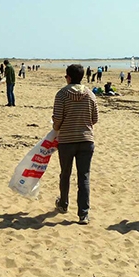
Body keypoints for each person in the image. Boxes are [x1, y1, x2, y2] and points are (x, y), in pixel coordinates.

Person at [52, 64, 99, 225]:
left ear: (69, 77)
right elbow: (95, 119)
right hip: (86, 140)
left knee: (65, 173)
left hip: (66, 140)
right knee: (84, 176)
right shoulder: (90, 94)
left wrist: (55, 128)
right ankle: (83, 213)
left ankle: (64, 204)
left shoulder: (62, 94)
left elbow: (57, 119)